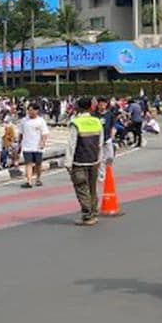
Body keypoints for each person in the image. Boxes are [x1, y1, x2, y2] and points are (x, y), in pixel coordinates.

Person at [66, 96, 104, 226]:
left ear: (78, 107)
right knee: (92, 188)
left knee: (82, 188)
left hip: (79, 161)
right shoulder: (97, 121)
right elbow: (100, 143)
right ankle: (94, 212)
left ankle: (87, 216)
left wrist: (68, 163)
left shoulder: (75, 122)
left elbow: (71, 144)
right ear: (90, 107)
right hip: (94, 160)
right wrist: (99, 159)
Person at [18, 102, 50, 188]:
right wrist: (19, 144)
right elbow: (20, 133)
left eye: (32, 110)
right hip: (27, 146)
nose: (30, 112)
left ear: (37, 111)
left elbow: (45, 133)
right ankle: (29, 181)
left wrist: (43, 143)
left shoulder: (41, 121)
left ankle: (38, 179)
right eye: (28, 110)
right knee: (28, 163)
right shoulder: (24, 121)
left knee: (38, 164)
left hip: (37, 147)